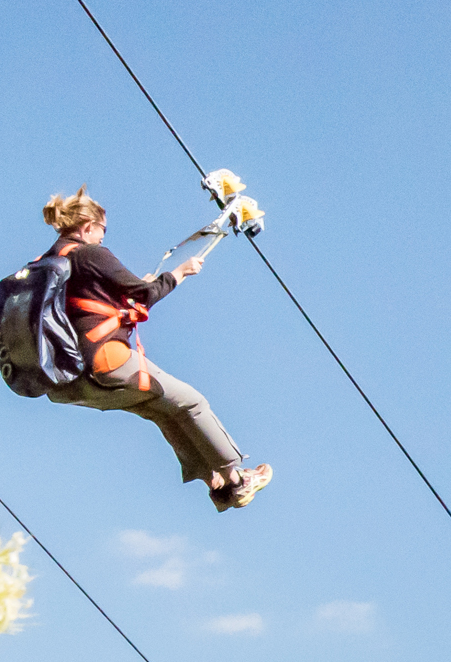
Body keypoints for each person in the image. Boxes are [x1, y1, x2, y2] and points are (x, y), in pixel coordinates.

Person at [32, 188, 272, 512]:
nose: (103, 238)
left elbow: (83, 311)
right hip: (106, 362)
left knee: (165, 411)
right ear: (88, 225)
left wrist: (127, 299)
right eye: (103, 230)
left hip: (70, 380)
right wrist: (180, 273)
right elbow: (145, 294)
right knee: (193, 402)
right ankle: (236, 477)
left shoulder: (48, 261)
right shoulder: (89, 254)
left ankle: (217, 485)